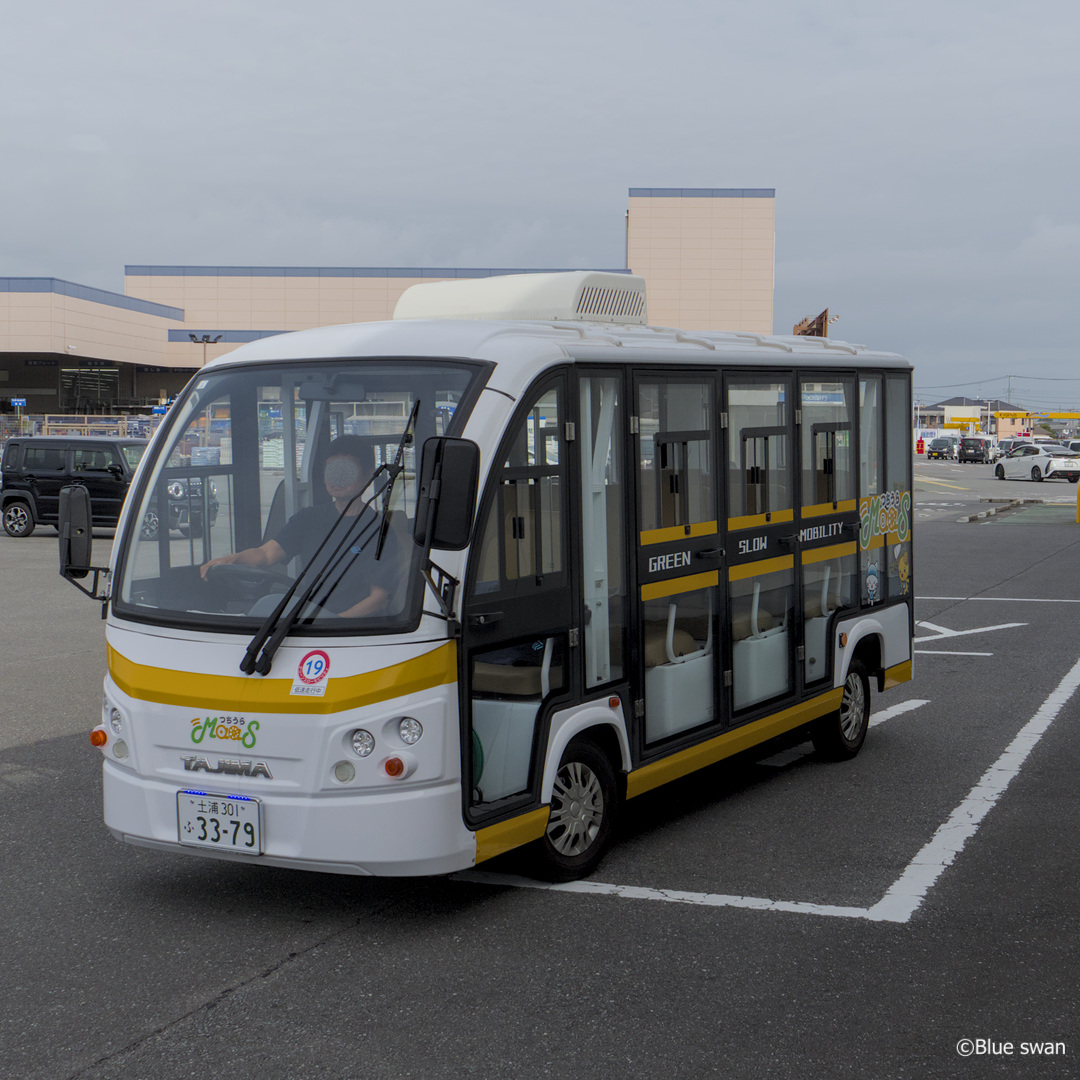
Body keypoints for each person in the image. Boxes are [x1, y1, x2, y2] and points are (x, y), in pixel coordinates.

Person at [200, 436, 402, 618]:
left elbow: (378, 599)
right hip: (307, 620)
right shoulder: (309, 519)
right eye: (332, 471)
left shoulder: (378, 532)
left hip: (349, 629)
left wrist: (330, 625)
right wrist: (230, 559)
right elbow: (265, 554)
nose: (337, 479)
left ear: (367, 475)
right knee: (264, 607)